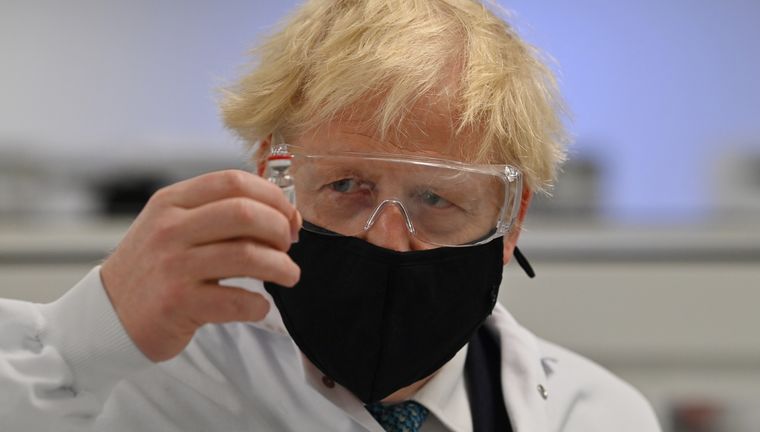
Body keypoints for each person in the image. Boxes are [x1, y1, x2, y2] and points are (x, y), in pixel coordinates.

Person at [0, 1, 661, 431]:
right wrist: (84, 338)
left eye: (438, 199)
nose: (390, 239)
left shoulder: (596, 415)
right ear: (274, 181)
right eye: (348, 184)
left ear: (509, 220)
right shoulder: (141, 385)